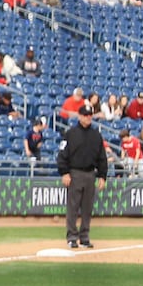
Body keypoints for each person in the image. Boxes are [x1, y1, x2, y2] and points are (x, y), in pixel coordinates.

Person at [57, 103, 109, 250]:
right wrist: (64, 172)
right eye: (85, 115)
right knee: (73, 207)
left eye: (89, 115)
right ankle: (72, 237)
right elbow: (62, 155)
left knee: (87, 208)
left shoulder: (96, 135)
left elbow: (102, 158)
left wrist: (102, 176)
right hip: (75, 173)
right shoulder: (71, 134)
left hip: (90, 174)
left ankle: (84, 237)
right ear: (79, 116)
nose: (88, 118)